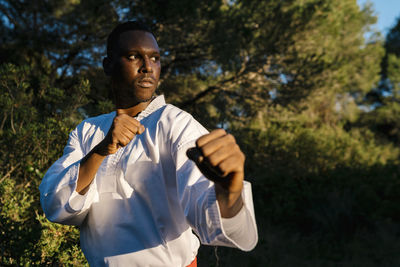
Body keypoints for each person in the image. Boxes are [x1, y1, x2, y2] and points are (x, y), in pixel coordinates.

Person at [39, 21, 258, 267]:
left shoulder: (175, 123)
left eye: (154, 58)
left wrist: (229, 190)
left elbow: (210, 219)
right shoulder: (88, 130)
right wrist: (101, 150)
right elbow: (56, 205)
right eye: (134, 57)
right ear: (108, 65)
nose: (147, 68)